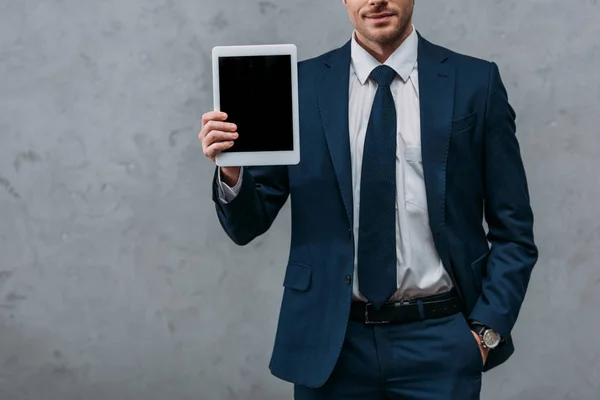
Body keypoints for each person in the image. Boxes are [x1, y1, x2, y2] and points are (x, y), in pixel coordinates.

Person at [199, 0, 538, 398]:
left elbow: (514, 231)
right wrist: (232, 171)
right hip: (330, 344)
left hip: (440, 343)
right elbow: (246, 225)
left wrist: (485, 333)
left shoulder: (475, 83)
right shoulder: (299, 87)